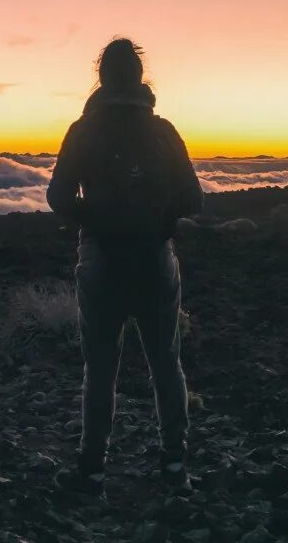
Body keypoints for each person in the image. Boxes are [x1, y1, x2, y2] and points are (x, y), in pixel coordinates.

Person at [47, 38, 204, 495]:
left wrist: (92, 220)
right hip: (156, 260)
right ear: (140, 79)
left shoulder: (84, 131)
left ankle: (91, 472)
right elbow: (193, 199)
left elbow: (58, 198)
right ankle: (175, 468)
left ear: (101, 78)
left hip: (101, 262)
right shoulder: (163, 132)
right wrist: (160, 220)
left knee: (100, 368)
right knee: (166, 363)